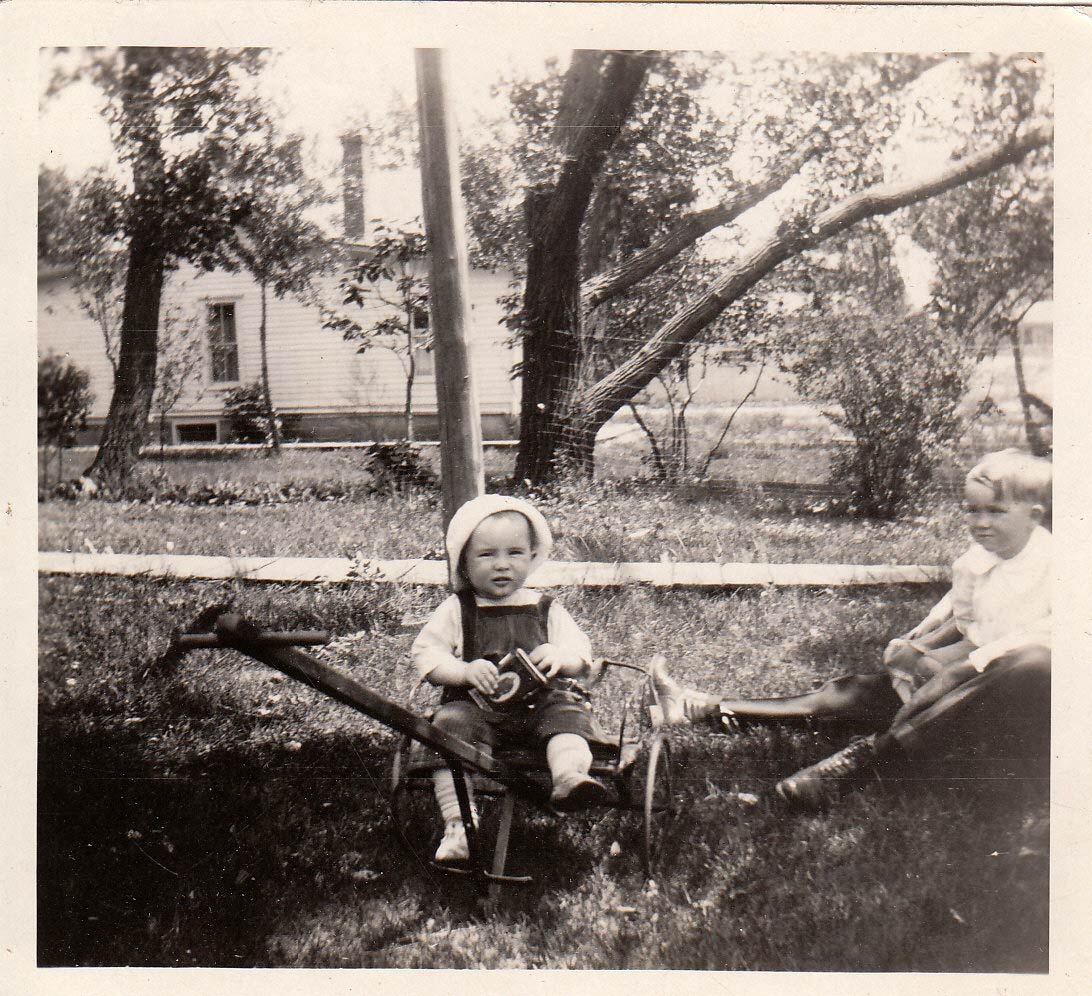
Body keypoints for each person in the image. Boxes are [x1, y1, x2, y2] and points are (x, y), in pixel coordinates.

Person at [651, 449, 1052, 810]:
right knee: (851, 694)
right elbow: (960, 613)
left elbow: (1037, 644)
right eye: (972, 511)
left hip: (1008, 696)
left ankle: (859, 765)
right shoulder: (983, 557)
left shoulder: (1056, 567)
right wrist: (919, 643)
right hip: (965, 666)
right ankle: (699, 709)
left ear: (1034, 516)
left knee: (930, 704)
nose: (980, 523)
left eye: (995, 512)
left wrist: (954, 670)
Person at [411, 494, 611, 862]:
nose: (502, 565)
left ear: (532, 557)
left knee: (568, 716)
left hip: (541, 707)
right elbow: (427, 655)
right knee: (449, 729)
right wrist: (464, 671)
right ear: (464, 563)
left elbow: (580, 654)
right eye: (487, 555)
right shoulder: (457, 609)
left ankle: (569, 777)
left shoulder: (545, 608)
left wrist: (559, 656)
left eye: (515, 553)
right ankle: (459, 825)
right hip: (477, 709)